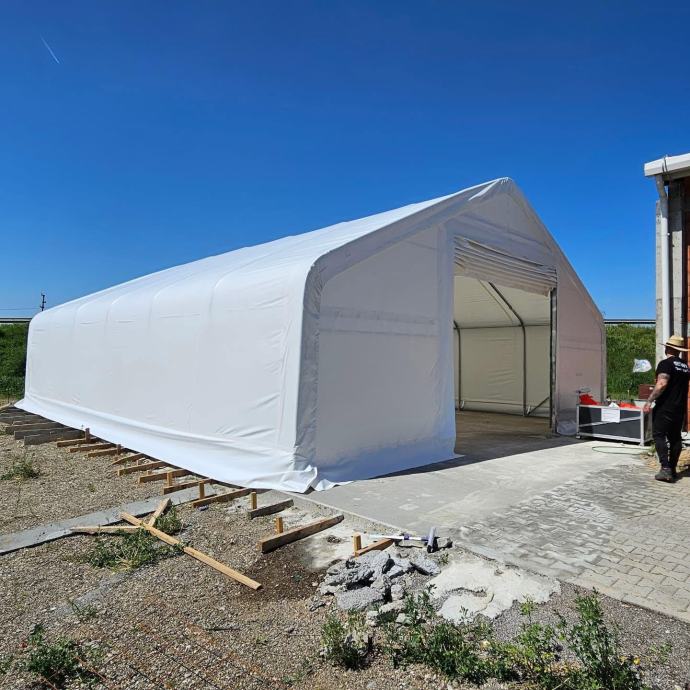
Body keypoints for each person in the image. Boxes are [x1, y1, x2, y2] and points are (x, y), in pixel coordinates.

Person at [643, 335, 690, 482]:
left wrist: (649, 401)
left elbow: (662, 384)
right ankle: (673, 469)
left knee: (659, 435)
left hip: (665, 407)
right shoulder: (685, 366)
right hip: (680, 408)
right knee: (675, 438)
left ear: (668, 348)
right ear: (679, 350)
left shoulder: (665, 364)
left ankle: (665, 469)